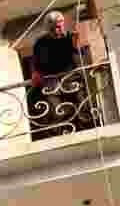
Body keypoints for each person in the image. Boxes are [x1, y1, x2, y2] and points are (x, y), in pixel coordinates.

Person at [27, 10, 80, 138]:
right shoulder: (41, 43)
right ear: (49, 28)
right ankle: (58, 135)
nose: (60, 29)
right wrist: (35, 73)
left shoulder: (68, 37)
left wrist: (74, 43)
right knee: (56, 110)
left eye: (61, 26)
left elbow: (75, 57)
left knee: (80, 103)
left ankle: (80, 129)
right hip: (51, 82)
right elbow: (36, 62)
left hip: (70, 79)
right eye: (56, 27)